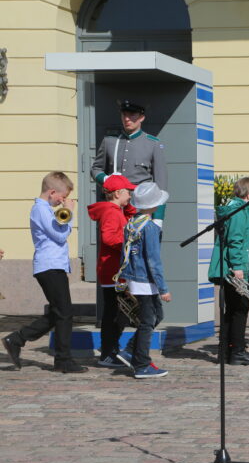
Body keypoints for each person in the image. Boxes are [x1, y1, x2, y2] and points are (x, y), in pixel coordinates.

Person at [3, 172, 87, 373]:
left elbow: (60, 232)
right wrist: (69, 212)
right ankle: (63, 360)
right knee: (65, 313)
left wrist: (64, 216)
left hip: (53, 265)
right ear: (51, 192)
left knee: (60, 312)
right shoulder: (40, 210)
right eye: (61, 196)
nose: (63, 201)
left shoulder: (47, 209)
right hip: (49, 266)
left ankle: (16, 339)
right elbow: (59, 235)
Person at [118, 182, 171, 378]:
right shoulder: (149, 228)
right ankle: (141, 364)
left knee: (156, 316)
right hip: (146, 281)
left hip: (135, 277)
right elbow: (154, 260)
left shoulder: (131, 223)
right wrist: (163, 288)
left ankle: (131, 350)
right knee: (148, 321)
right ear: (155, 204)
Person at [208, 177, 249, 366]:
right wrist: (239, 268)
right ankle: (237, 351)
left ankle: (227, 351)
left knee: (232, 310)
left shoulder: (236, 209)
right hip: (234, 269)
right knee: (239, 309)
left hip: (228, 268)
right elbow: (236, 241)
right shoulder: (240, 213)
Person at [87, 174, 137, 368]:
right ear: (117, 193)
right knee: (115, 315)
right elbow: (109, 238)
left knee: (119, 314)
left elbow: (130, 216)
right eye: (128, 192)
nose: (131, 194)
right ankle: (108, 353)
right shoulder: (110, 211)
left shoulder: (116, 209)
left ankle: (111, 350)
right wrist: (128, 245)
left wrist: (128, 206)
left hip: (116, 269)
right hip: (112, 270)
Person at [91, 100, 168, 226]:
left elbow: (161, 186)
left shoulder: (153, 144)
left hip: (140, 209)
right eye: (124, 115)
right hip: (114, 207)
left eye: (132, 115)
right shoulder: (110, 141)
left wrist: (158, 218)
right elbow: (96, 168)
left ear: (141, 117)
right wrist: (106, 179)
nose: (127, 119)